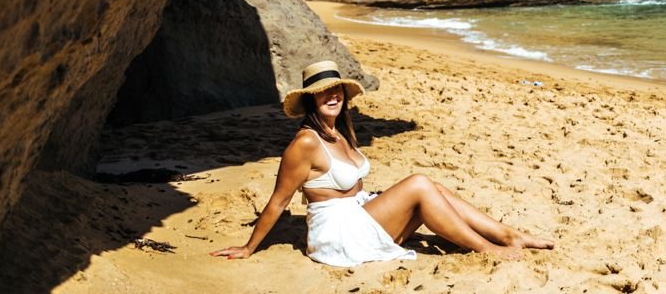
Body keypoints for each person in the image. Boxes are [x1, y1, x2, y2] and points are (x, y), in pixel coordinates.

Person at [211, 60, 553, 266]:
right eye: (323, 92)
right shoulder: (305, 142)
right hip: (339, 235)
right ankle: (487, 247)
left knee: (433, 188)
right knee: (419, 183)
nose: (332, 96)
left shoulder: (339, 132)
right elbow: (279, 200)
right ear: (310, 99)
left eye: (337, 91)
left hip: (360, 215)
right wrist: (248, 247)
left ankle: (510, 235)